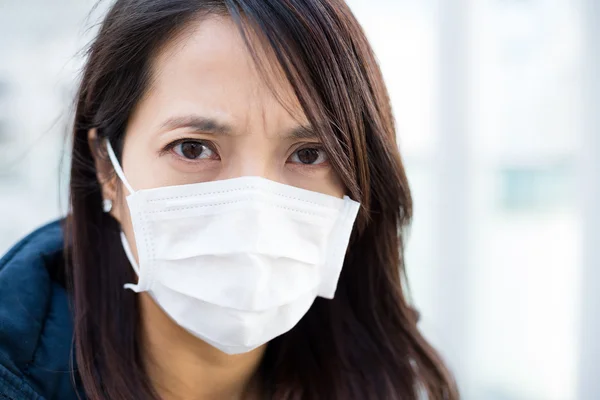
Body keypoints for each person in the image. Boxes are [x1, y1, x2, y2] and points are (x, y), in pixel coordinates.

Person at [0, 0, 458, 399]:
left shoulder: (389, 379)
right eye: (193, 147)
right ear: (107, 169)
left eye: (308, 154)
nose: (253, 215)